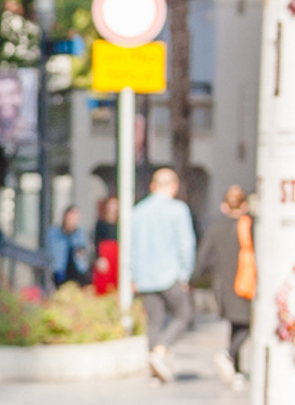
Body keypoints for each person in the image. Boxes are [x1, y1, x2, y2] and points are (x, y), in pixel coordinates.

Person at [128, 163, 198, 382]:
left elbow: (131, 248)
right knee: (183, 314)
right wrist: (185, 275)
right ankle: (160, 350)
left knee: (154, 322)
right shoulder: (178, 210)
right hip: (169, 274)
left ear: (152, 186)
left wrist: (133, 276)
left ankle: (155, 372)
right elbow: (186, 245)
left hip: (146, 277)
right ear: (174, 187)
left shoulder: (138, 211)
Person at [198, 181, 256, 386]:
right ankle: (229, 355)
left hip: (224, 286)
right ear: (244, 206)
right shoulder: (252, 226)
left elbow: (203, 257)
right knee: (248, 324)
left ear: (224, 206)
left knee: (235, 324)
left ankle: (236, 369)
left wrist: (194, 279)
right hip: (246, 284)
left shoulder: (216, 227)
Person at [48, 202, 87, 289]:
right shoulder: (55, 233)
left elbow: (82, 252)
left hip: (77, 271)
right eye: (71, 217)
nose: (74, 220)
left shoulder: (80, 233)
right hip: (60, 270)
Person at [90, 192, 120, 298]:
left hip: (117, 254)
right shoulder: (101, 223)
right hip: (105, 254)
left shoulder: (121, 223)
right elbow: (96, 242)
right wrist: (98, 258)